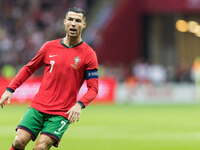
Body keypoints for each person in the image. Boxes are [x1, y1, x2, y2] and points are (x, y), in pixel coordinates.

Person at [0, 7, 99, 150]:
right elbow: (29, 68)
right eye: (70, 19)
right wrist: (10, 89)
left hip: (61, 113)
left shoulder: (89, 54)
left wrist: (79, 105)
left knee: (40, 147)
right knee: (19, 141)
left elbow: (93, 89)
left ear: (84, 25)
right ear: (64, 22)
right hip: (38, 106)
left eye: (78, 21)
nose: (73, 23)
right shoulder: (49, 47)